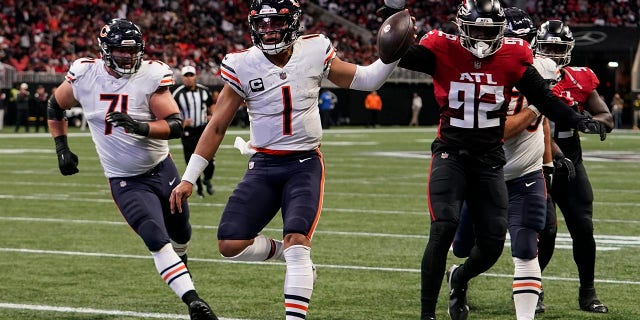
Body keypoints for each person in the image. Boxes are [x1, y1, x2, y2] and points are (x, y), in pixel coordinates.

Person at [169, 1, 404, 318]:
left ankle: (296, 286)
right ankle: (292, 257)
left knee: (297, 241)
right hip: (263, 165)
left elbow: (368, 79)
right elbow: (217, 125)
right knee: (229, 243)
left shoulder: (315, 49)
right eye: (262, 24)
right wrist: (188, 178)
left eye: (275, 23)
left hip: (303, 164)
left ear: (293, 23)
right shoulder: (243, 63)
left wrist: (395, 51)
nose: (268, 31)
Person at [378, 1, 607, 319]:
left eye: (490, 31)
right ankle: (427, 314)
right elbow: (397, 51)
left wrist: (576, 120)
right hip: (452, 152)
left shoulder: (513, 56)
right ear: (462, 28)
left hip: (490, 160)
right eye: (478, 30)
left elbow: (543, 98)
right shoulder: (443, 48)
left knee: (491, 245)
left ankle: (459, 278)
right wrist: (389, 19)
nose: (484, 39)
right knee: (443, 229)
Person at [46, 18, 217, 320]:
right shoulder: (85, 74)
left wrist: (141, 127)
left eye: (132, 51)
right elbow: (54, 105)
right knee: (154, 237)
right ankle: (194, 302)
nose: (127, 57)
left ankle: (182, 264)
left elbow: (175, 125)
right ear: (105, 50)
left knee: (181, 233)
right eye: (120, 51)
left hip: (162, 170)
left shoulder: (151, 74)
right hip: (125, 180)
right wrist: (61, 146)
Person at [450, 8, 558, 319]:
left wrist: (548, 166)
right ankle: (460, 277)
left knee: (525, 246)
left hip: (525, 173)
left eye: (521, 41)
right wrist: (538, 106)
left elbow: (544, 122)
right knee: (465, 248)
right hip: (483, 173)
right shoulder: (478, 73)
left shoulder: (544, 68)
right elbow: (497, 131)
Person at [535, 19, 614, 314]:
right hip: (537, 163)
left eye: (559, 48)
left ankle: (588, 293)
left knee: (583, 228)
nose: (553, 54)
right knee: (547, 231)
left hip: (571, 163)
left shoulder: (579, 78)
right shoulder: (528, 78)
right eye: (548, 48)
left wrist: (594, 123)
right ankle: (533, 288)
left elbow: (605, 115)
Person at [172, 65, 216, 197]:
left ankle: (207, 179)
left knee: (209, 161)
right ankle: (200, 189)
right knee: (191, 161)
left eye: (191, 75)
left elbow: (211, 106)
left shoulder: (204, 91)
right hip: (188, 132)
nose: (189, 78)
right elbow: (172, 112)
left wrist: (212, 116)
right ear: (182, 78)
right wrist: (181, 122)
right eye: (186, 76)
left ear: (195, 76)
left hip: (203, 130)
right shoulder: (178, 94)